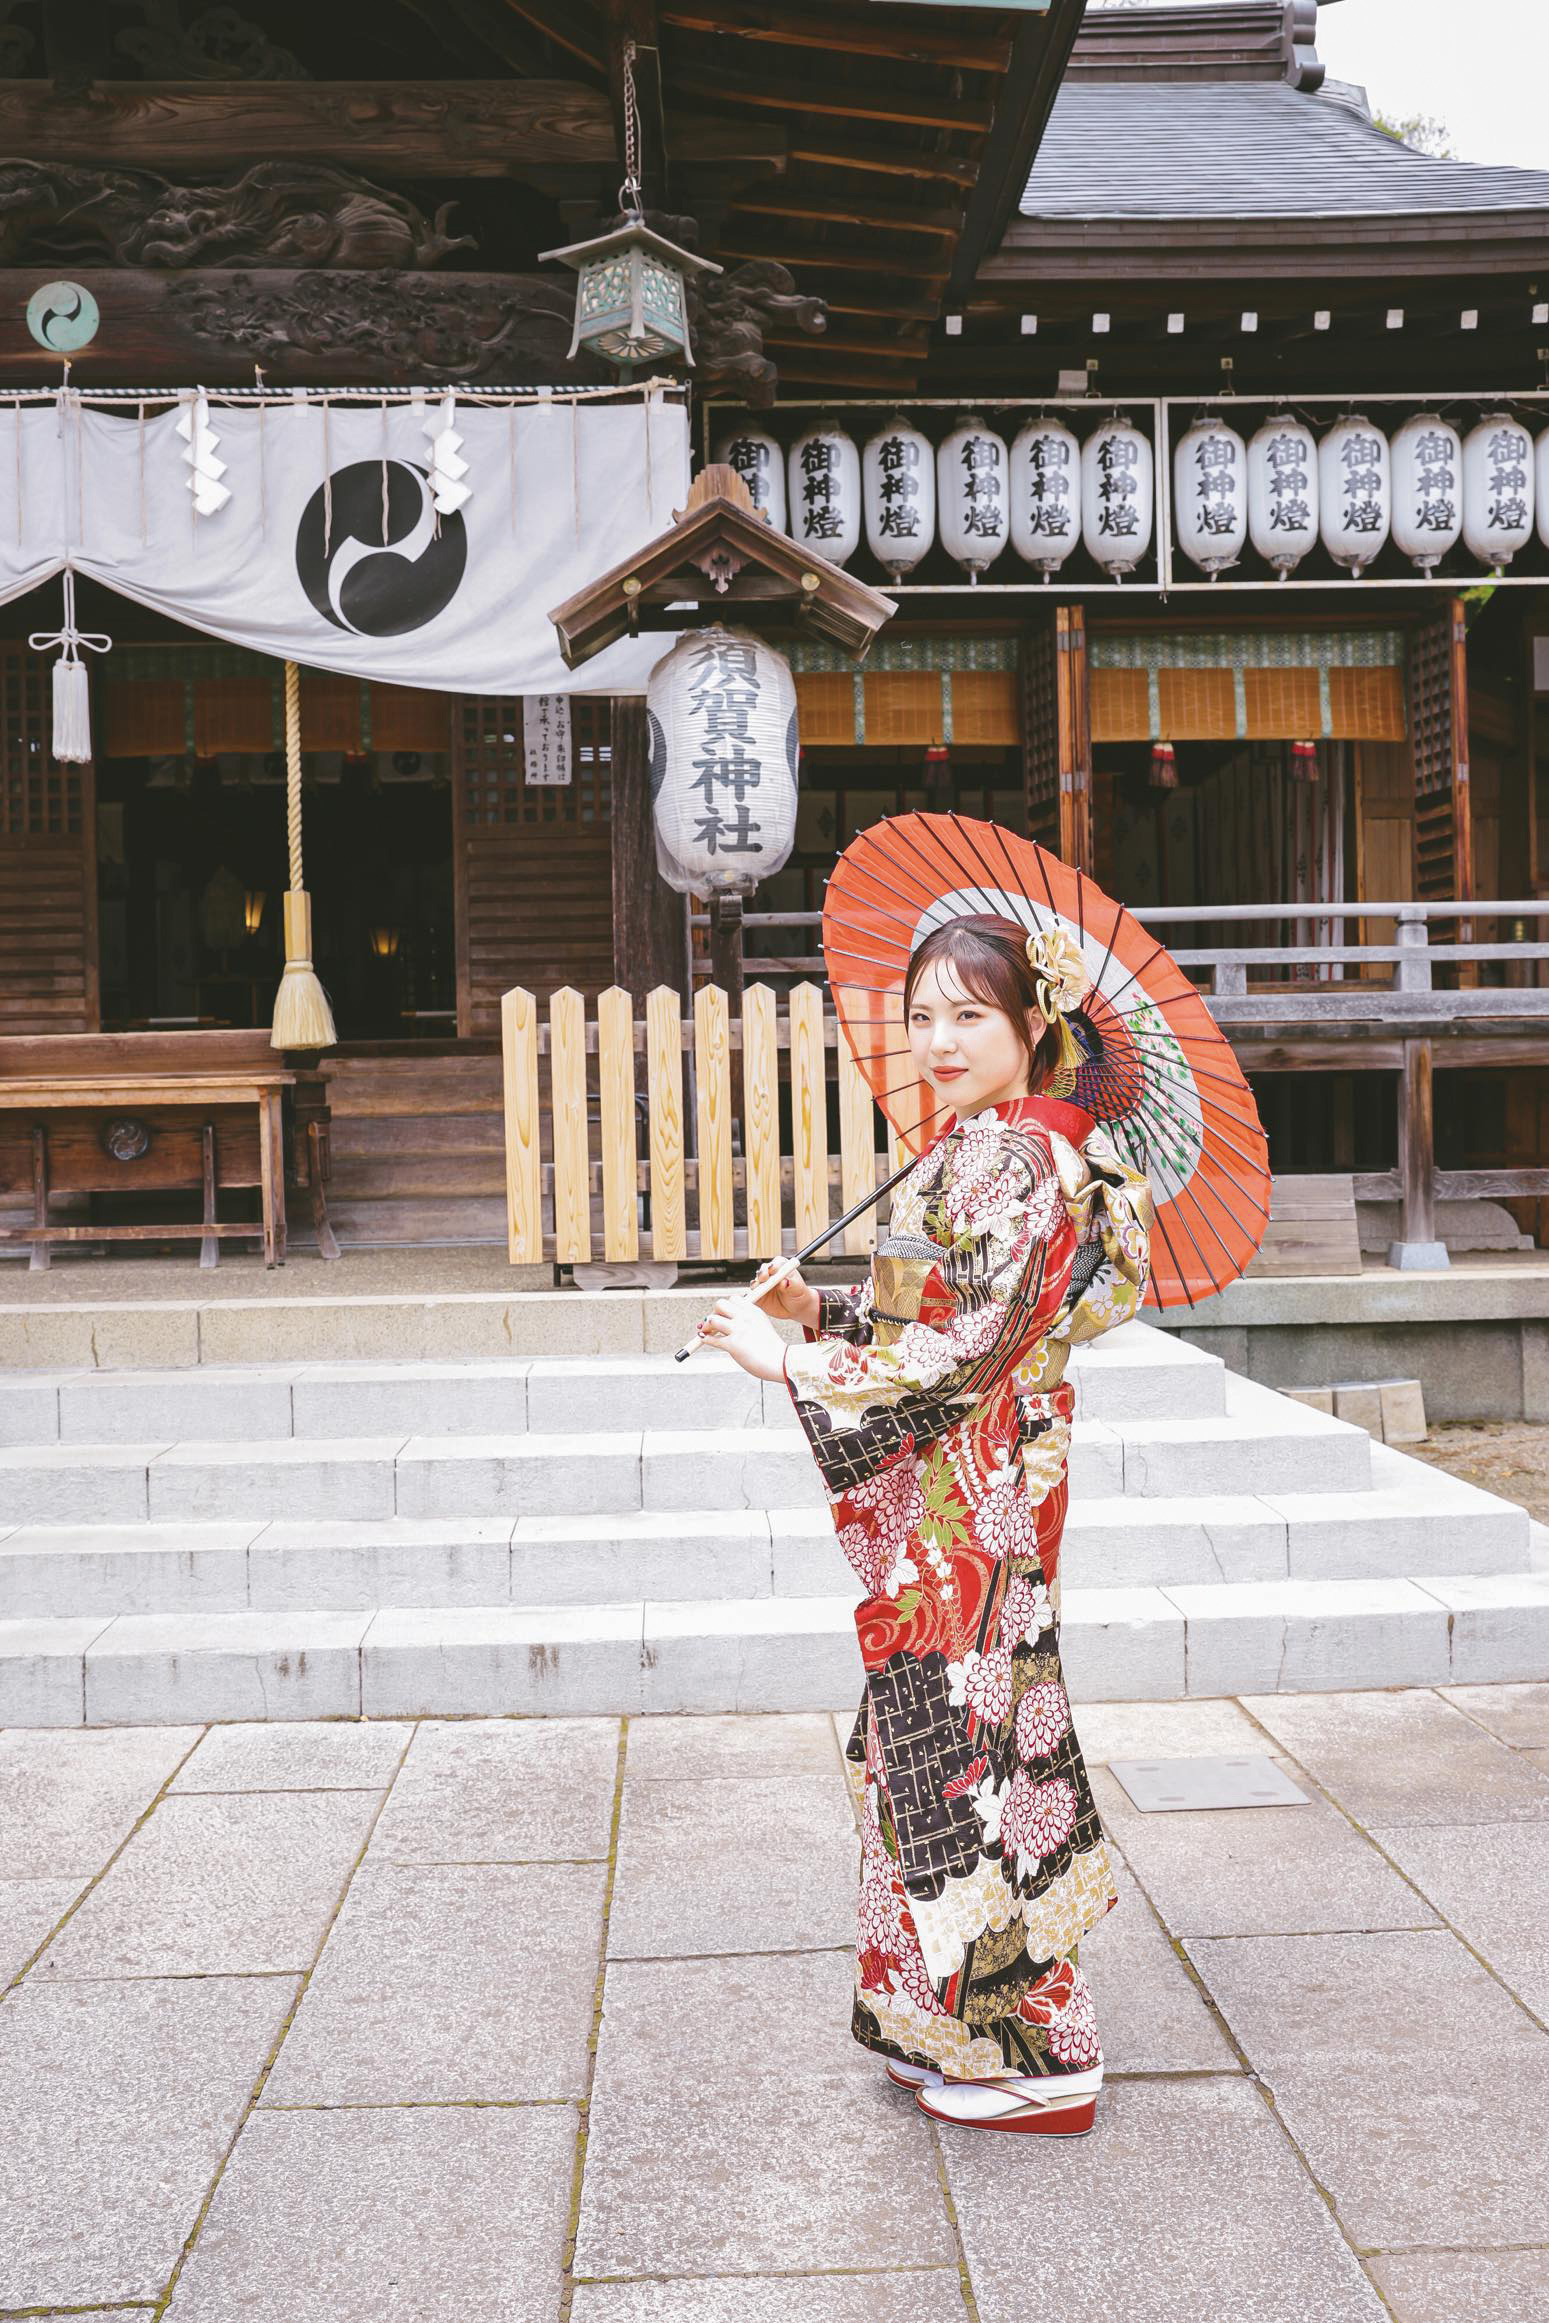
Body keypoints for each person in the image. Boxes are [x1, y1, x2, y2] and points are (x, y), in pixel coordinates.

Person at [695, 911, 1153, 2136]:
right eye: (922, 1015)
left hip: (973, 1481)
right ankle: (943, 2015)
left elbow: (962, 1349)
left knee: (965, 1749)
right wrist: (823, 1304)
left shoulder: (1019, 1160)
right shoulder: (986, 1146)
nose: (937, 1040)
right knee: (926, 1735)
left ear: (1030, 1028)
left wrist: (784, 1365)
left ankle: (1039, 2046)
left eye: (970, 1016)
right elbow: (922, 1308)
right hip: (973, 1475)